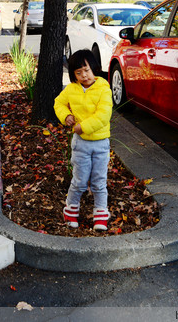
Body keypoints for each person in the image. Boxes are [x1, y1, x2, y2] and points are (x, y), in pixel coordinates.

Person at [54, 49, 113, 231]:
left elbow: (104, 115)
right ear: (73, 75)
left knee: (99, 182)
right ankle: (71, 210)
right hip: (81, 144)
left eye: (86, 70)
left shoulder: (103, 88)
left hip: (101, 143)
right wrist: (66, 116)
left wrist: (83, 127)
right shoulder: (71, 89)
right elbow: (59, 103)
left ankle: (101, 214)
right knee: (79, 180)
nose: (83, 75)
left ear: (93, 68)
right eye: (78, 73)